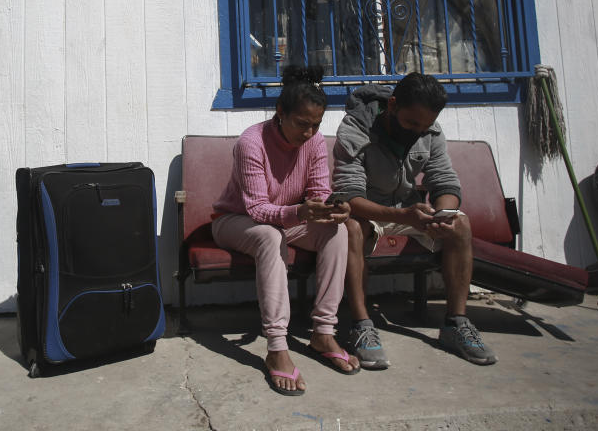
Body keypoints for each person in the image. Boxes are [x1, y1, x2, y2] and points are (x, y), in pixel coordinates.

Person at [212, 65, 359, 396]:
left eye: (316, 125)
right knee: (269, 234)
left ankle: (323, 331)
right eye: (302, 124)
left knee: (339, 231)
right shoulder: (252, 142)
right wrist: (302, 211)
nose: (309, 133)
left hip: (285, 220)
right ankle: (277, 346)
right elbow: (258, 210)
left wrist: (332, 208)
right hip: (235, 222)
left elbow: (319, 192)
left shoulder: (316, 142)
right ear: (280, 112)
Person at [333, 72, 497, 367]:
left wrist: (443, 213)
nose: (417, 131)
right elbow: (349, 195)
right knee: (349, 229)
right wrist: (402, 215)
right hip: (368, 212)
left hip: (411, 211)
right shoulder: (355, 127)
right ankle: (361, 326)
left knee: (460, 225)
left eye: (424, 125)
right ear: (392, 105)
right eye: (411, 123)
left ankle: (455, 323)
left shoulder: (430, 130)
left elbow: (445, 181)